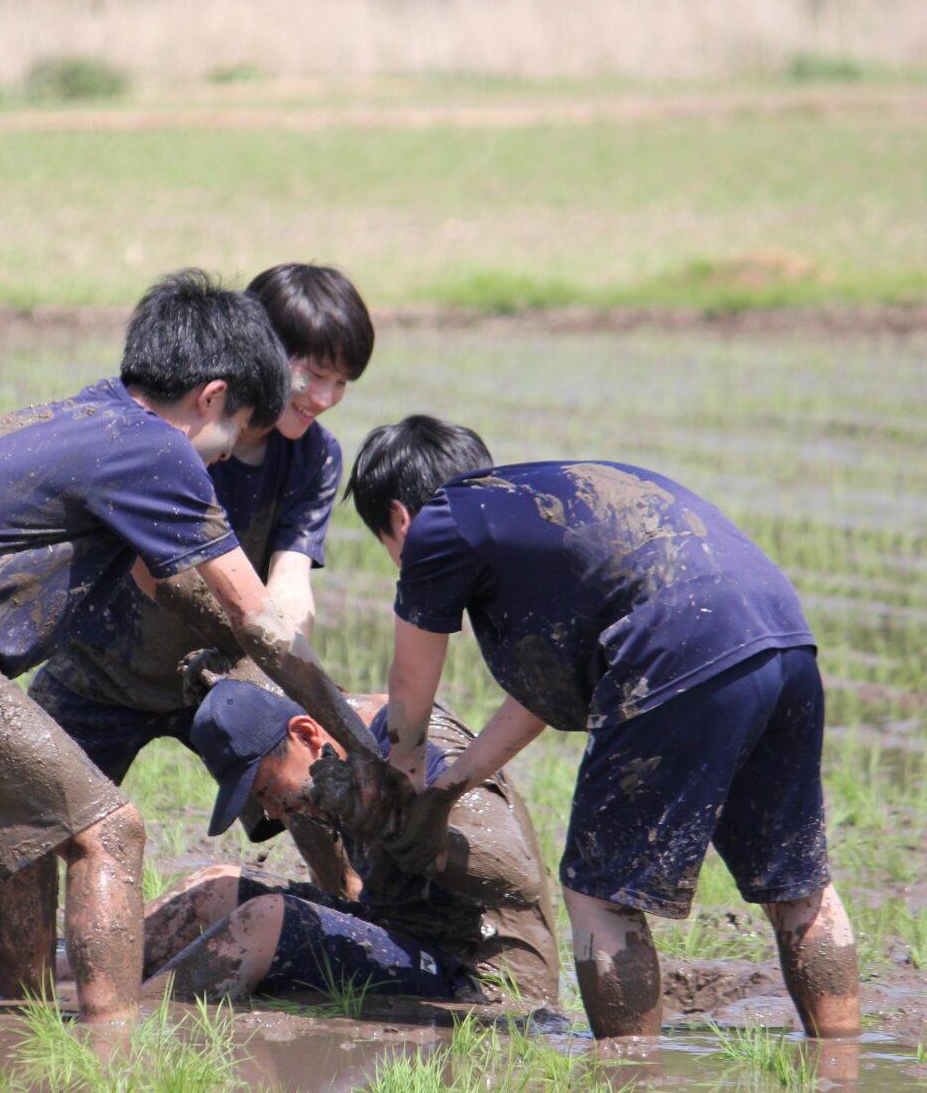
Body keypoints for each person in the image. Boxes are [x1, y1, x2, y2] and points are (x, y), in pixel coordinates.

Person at [0, 271, 391, 1025]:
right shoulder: (158, 451)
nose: (225, 456)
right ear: (212, 396)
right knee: (108, 831)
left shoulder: (88, 413)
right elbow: (248, 614)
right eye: (233, 429)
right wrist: (354, 732)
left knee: (23, 833)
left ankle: (25, 1030)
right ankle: (109, 1046)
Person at [347, 415, 861, 1041]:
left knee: (599, 896)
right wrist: (448, 787)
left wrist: (404, 785)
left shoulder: (437, 524)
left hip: (681, 645)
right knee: (798, 888)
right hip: (781, 633)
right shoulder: (542, 511)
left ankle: (628, 1072)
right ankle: (841, 1066)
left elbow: (410, 688)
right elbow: (536, 699)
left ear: (399, 519)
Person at [138, 672, 562, 1008]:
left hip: (481, 980)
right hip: (400, 933)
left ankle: (129, 1022)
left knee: (264, 920)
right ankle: (82, 980)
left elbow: (520, 879)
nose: (270, 814)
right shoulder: (330, 752)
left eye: (266, 790)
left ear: (305, 734)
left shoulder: (419, 743)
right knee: (215, 886)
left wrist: (393, 825)